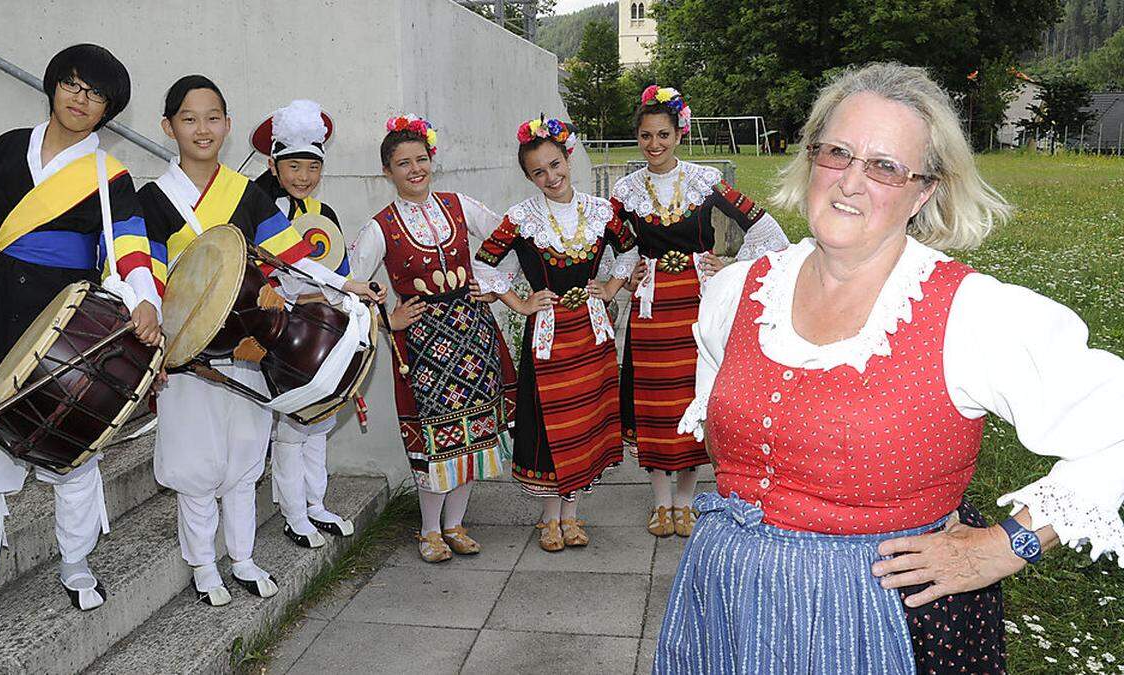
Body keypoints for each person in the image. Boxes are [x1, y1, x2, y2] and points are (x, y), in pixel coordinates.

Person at [656, 62, 1124, 674]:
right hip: (724, 597)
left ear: (924, 191)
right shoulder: (737, 292)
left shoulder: (970, 313)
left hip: (884, 615)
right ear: (811, 159)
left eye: (884, 167)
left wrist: (1011, 544)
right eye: (837, 154)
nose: (851, 182)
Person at [0, 44, 162, 654]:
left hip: (65, 338)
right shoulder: (7, 148)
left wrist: (144, 300)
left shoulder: (110, 176)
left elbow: (130, 246)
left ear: (108, 109)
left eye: (96, 93)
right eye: (74, 84)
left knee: (73, 462)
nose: (81, 98)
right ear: (54, 86)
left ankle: (76, 563)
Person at [138, 75, 380, 607]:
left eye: (213, 117)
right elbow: (148, 280)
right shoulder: (151, 199)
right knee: (197, 466)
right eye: (189, 119)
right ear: (168, 127)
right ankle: (204, 565)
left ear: (227, 125)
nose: (202, 129)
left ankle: (243, 557)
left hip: (248, 349)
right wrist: (155, 348)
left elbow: (294, 256)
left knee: (245, 459)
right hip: (188, 357)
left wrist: (344, 284)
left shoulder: (246, 193)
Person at [610, 86, 789, 538]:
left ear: (679, 133)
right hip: (650, 310)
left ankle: (686, 501)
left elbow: (767, 229)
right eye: (646, 136)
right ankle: (660, 501)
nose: (654, 145)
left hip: (696, 301)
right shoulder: (624, 190)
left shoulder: (705, 181)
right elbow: (615, 243)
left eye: (663, 134)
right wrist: (625, 272)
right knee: (652, 399)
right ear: (637, 137)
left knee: (694, 393)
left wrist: (731, 265)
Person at [348, 114, 515, 563]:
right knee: (435, 440)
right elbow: (348, 287)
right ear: (387, 171)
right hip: (424, 345)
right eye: (403, 163)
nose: (415, 169)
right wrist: (388, 318)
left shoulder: (458, 204)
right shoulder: (380, 226)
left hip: (475, 335)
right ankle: (429, 530)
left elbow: (511, 234)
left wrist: (492, 283)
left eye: (421, 159)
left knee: (474, 436)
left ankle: (456, 524)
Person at [474, 117, 636, 552]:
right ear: (529, 177)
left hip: (591, 332)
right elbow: (484, 264)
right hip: (547, 335)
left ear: (569, 157)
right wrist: (522, 303)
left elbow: (631, 251)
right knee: (549, 422)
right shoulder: (521, 219)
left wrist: (611, 287)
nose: (550, 177)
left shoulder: (603, 212)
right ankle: (549, 518)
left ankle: (573, 515)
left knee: (587, 420)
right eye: (538, 172)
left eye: (555, 164)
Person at [251, 99, 357, 547]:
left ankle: (316, 503)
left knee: (320, 421)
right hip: (278, 332)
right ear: (274, 166)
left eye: (312, 167)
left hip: (319, 330)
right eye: (293, 166)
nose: (303, 176)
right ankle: (294, 513)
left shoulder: (324, 214)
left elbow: (340, 268)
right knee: (293, 425)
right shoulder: (256, 207)